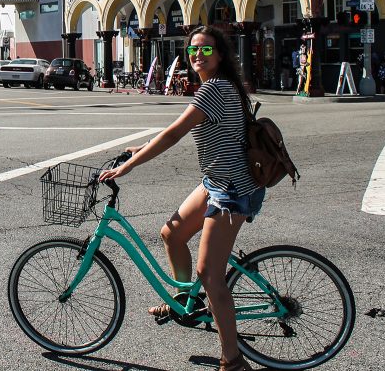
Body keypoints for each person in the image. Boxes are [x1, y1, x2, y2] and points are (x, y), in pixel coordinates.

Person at [98, 26, 262, 371]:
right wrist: (140, 148)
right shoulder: (215, 87)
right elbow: (183, 129)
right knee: (172, 234)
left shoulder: (214, 90)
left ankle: (233, 360)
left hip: (232, 190)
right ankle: (183, 302)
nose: (197, 56)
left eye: (205, 50)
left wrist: (129, 166)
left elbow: (175, 132)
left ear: (219, 55)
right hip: (217, 182)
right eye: (192, 50)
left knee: (210, 274)